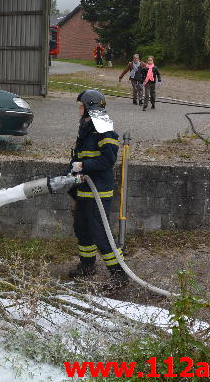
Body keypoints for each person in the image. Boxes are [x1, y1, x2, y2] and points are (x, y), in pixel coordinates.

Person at [67, 90, 126, 288]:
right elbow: (79, 155)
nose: (79, 109)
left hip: (98, 192)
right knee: (82, 230)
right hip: (83, 189)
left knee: (101, 234)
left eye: (81, 106)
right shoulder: (87, 126)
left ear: (89, 107)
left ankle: (120, 274)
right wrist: (70, 172)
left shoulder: (103, 128)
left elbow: (108, 159)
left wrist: (84, 166)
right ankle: (87, 267)